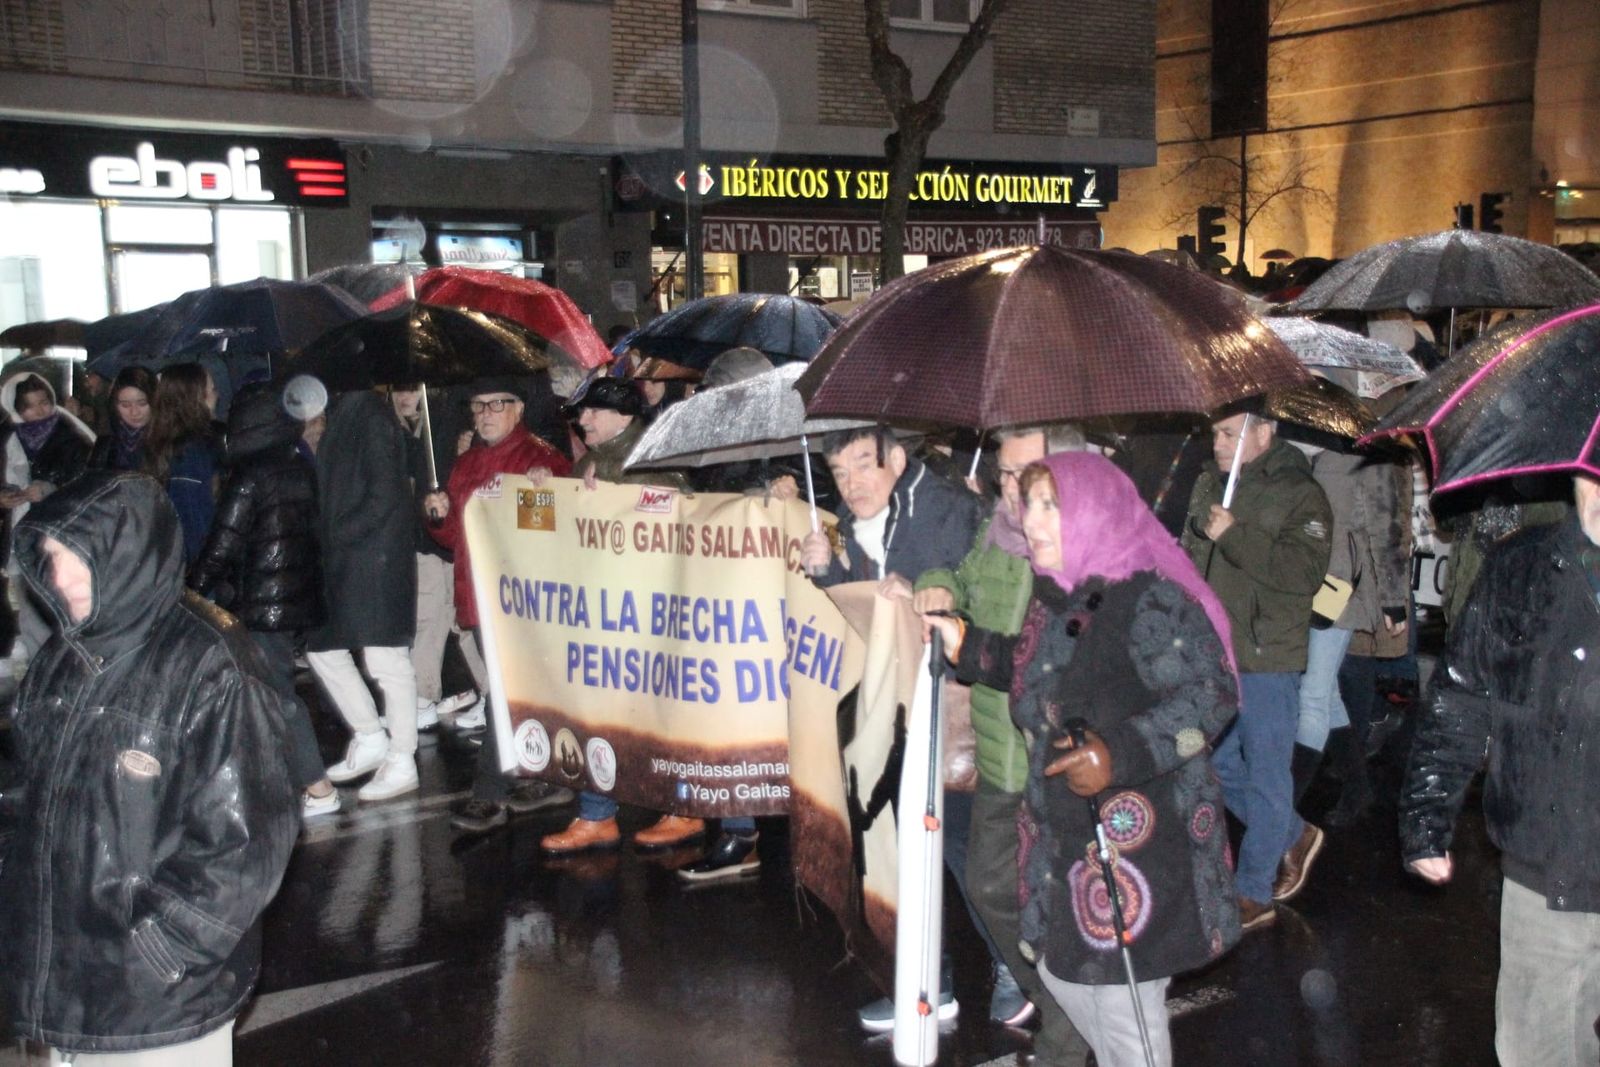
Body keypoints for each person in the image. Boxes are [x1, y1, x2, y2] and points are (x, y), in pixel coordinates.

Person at [926, 453, 1240, 1067]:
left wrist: (1118, 753)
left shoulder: (1150, 599)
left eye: (1051, 506)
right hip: (1070, 838)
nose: (1031, 518)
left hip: (1141, 849)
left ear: (1096, 513)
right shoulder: (1064, 594)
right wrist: (971, 648)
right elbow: (1041, 670)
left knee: (1127, 1015)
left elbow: (1213, 695)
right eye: (1030, 503)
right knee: (1066, 976)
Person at [0, 471, 299, 1065]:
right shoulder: (61, 659)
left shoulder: (212, 665)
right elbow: (20, 795)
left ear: (132, 554)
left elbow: (247, 844)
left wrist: (164, 947)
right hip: (65, 983)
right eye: (53, 560)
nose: (62, 581)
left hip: (159, 996)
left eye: (81, 559)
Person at [900, 424, 1093, 1057]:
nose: (1006, 487)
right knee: (991, 888)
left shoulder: (1076, 547)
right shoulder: (998, 527)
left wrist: (970, 643)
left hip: (1047, 759)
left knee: (1054, 910)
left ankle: (1070, 1033)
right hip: (997, 748)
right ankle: (1068, 1011)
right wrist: (940, 582)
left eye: (1021, 475)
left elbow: (1052, 659)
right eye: (1005, 474)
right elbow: (964, 573)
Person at [1401, 474, 1600, 1067]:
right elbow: (1461, 696)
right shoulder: (1521, 568)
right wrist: (1426, 816)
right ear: (1575, 471)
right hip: (1546, 863)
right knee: (1537, 1049)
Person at [798, 425, 988, 1031]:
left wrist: (933, 592)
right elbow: (867, 614)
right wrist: (829, 572)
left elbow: (983, 604)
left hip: (957, 707)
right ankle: (928, 982)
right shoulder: (855, 524)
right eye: (839, 473)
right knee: (907, 853)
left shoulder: (950, 509)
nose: (852, 485)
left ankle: (1019, 969)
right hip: (897, 710)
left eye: (863, 465)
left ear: (898, 458)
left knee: (968, 855)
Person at [1180, 412, 1331, 930]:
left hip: (1268, 655)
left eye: (1229, 433)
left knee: (1268, 774)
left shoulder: (1300, 492)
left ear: (1263, 433)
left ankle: (1254, 888)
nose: (1217, 443)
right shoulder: (1208, 484)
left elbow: (1303, 574)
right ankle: (1292, 833)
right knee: (1216, 765)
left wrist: (1234, 534)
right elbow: (1189, 562)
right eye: (1214, 433)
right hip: (1212, 653)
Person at [538, 377, 697, 855]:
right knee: (597, 715)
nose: (581, 421)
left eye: (591, 413)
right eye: (580, 413)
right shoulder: (590, 461)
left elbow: (675, 519)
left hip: (649, 615)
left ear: (622, 416)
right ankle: (595, 814)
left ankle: (685, 807)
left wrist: (613, 496)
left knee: (663, 715)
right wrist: (548, 492)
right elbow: (560, 530)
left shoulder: (653, 460)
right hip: (602, 615)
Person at [423, 378, 576, 835]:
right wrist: (439, 516)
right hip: (479, 597)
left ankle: (488, 793)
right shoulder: (465, 463)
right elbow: (454, 541)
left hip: (523, 602)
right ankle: (545, 776)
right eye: (478, 405)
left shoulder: (540, 460)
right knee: (522, 694)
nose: (485, 413)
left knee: (504, 694)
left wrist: (543, 494)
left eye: (496, 404)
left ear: (518, 407)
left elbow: (548, 535)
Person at [189, 383, 338, 819]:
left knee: (277, 696)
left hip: (261, 602)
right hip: (293, 600)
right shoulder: (297, 463)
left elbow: (224, 542)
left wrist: (192, 587)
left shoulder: (251, 474)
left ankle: (318, 785)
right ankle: (284, 782)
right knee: (267, 692)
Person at [307, 388, 421, 803]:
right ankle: (372, 735)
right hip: (355, 556)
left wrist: (335, 534)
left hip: (375, 558)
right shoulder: (346, 413)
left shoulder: (370, 417)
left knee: (387, 659)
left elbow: (384, 495)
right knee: (322, 646)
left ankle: (403, 757)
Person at [1, 371, 95, 680]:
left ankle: (69, 671)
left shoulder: (71, 436)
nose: (38, 411)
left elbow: (88, 482)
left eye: (43, 402)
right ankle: (40, 670)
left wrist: (51, 489)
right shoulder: (6, 436)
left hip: (63, 539)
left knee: (65, 605)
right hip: (19, 535)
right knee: (30, 606)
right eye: (28, 406)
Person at [391, 385, 476, 728]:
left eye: (411, 389)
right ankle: (426, 695)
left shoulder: (445, 421)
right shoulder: (402, 432)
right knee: (436, 616)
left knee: (460, 620)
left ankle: (490, 694)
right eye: (397, 389)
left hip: (447, 535)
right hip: (425, 538)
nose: (404, 396)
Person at [144, 363, 222, 565]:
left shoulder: (161, 446)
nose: (217, 395)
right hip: (194, 569)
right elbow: (196, 521)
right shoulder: (191, 453)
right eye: (212, 390)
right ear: (196, 398)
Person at [87, 366, 157, 472]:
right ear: (115, 406)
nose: (134, 412)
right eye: (125, 405)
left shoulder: (169, 444)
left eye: (142, 403)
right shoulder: (105, 446)